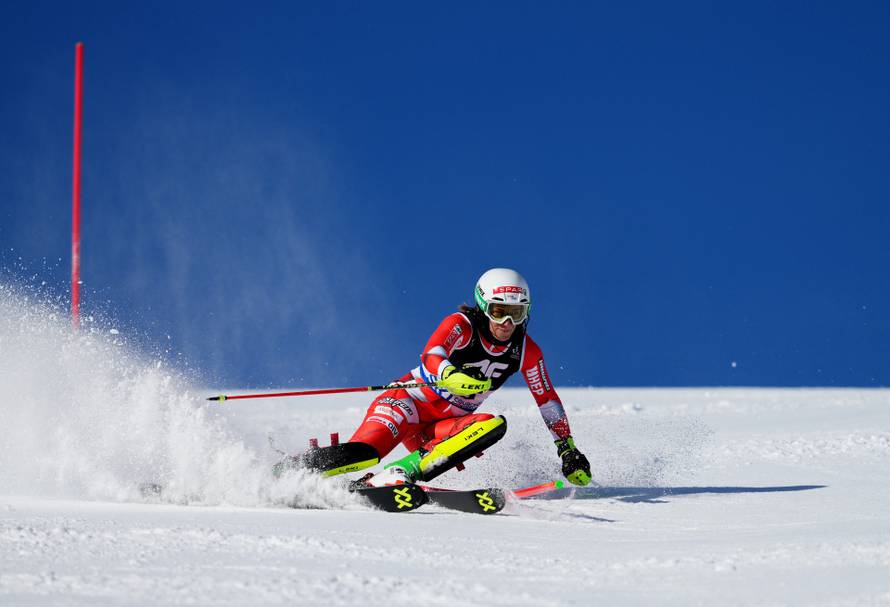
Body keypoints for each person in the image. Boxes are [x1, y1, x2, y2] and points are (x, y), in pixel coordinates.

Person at [290, 268, 591, 488]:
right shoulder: (462, 325)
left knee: (490, 426)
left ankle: (395, 475)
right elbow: (432, 354)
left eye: (517, 312)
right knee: (365, 453)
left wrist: (567, 447)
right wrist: (451, 375)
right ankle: (290, 471)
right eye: (499, 311)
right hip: (406, 405)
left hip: (436, 431)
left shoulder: (526, 351)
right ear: (484, 306)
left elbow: (547, 399)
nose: (507, 323)